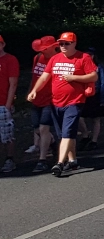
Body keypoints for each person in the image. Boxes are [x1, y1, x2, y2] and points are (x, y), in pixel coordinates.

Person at [27, 32, 97, 176]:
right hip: (55, 102)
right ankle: (73, 161)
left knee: (67, 133)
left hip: (75, 101)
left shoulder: (83, 57)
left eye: (67, 43)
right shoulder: (55, 58)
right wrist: (34, 90)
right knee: (64, 135)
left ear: (74, 43)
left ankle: (59, 163)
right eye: (61, 43)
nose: (63, 46)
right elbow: (45, 76)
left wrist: (74, 77)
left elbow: (94, 76)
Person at [27, 36, 58, 172]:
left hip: (50, 99)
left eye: (45, 49)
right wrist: (30, 91)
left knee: (44, 128)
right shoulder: (38, 58)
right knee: (36, 129)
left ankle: (42, 159)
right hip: (36, 98)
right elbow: (34, 77)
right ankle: (53, 143)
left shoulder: (58, 60)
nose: (43, 51)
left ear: (53, 46)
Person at [77, 47, 104, 152]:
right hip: (84, 94)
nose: (89, 57)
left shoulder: (99, 66)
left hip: (96, 95)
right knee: (79, 117)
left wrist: (103, 99)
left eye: (91, 55)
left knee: (96, 119)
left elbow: (103, 83)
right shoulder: (81, 65)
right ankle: (85, 135)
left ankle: (94, 140)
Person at [0, 34, 19, 173]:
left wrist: (8, 104)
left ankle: (10, 159)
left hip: (2, 103)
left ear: (3, 44)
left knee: (7, 133)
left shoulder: (10, 60)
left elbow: (13, 84)